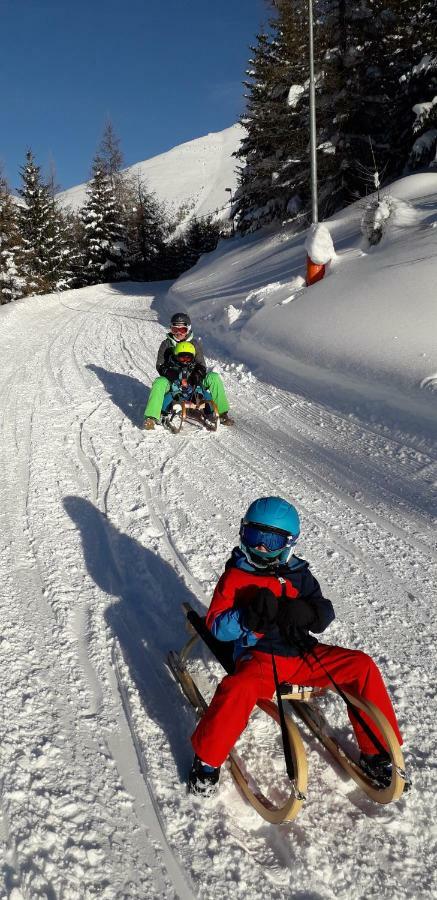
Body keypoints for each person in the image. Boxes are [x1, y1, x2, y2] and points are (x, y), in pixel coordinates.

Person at [189, 496, 403, 795]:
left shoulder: (299, 574)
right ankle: (207, 762)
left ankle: (377, 751)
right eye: (255, 536)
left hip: (303, 656)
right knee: (238, 688)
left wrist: (311, 613)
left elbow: (324, 610)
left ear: (289, 543)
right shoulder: (236, 576)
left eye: (271, 540)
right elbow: (217, 627)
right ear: (243, 532)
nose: (261, 547)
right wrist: (247, 617)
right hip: (260, 660)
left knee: (360, 665)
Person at [143, 312, 234, 429]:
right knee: (159, 382)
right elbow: (160, 365)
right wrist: (173, 375)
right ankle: (151, 417)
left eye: (182, 330)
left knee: (214, 377)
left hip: (193, 379)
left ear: (188, 329)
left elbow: (201, 365)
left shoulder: (194, 344)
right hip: (173, 379)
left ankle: (222, 413)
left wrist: (195, 377)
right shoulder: (166, 345)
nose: (178, 333)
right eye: (175, 329)